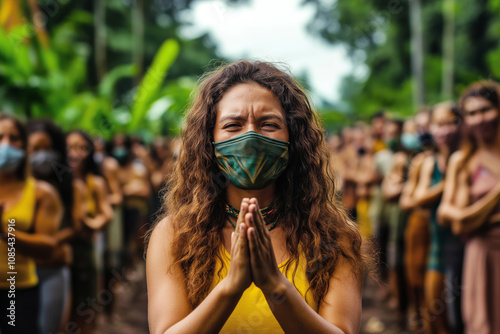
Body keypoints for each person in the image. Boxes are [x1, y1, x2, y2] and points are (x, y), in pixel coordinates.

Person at [146, 60, 369, 334]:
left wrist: (275, 287)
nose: (250, 136)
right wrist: (231, 287)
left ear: (293, 138)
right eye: (233, 125)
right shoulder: (174, 235)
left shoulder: (337, 236)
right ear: (209, 139)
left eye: (268, 124)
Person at [438, 81, 500, 334]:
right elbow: (450, 215)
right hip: (482, 252)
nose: (479, 118)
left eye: (485, 110)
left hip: (480, 233)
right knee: (483, 323)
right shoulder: (464, 160)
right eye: (471, 113)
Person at [0, 114, 63, 334]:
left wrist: (4, 233)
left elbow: (47, 246)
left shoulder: (40, 192)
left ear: (24, 145)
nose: (5, 144)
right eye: (0, 137)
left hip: (17, 291)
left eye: (14, 138)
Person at [27, 119, 86, 334]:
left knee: (48, 328)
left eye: (46, 148)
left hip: (53, 266)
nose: (41, 155)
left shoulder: (70, 186)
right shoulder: (18, 187)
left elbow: (76, 225)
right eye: (35, 149)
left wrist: (48, 242)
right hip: (19, 270)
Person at [410, 102, 462, 333]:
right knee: (434, 315)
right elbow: (418, 197)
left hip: (467, 248)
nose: (445, 130)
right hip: (437, 245)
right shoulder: (430, 163)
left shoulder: (470, 157)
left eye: (451, 122)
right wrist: (448, 182)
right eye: (439, 124)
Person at [67, 130, 113, 332]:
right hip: (60, 255)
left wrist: (90, 224)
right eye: (69, 147)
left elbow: (106, 213)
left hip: (86, 249)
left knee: (84, 306)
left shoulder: (96, 182)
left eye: (82, 147)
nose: (74, 153)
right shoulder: (58, 184)